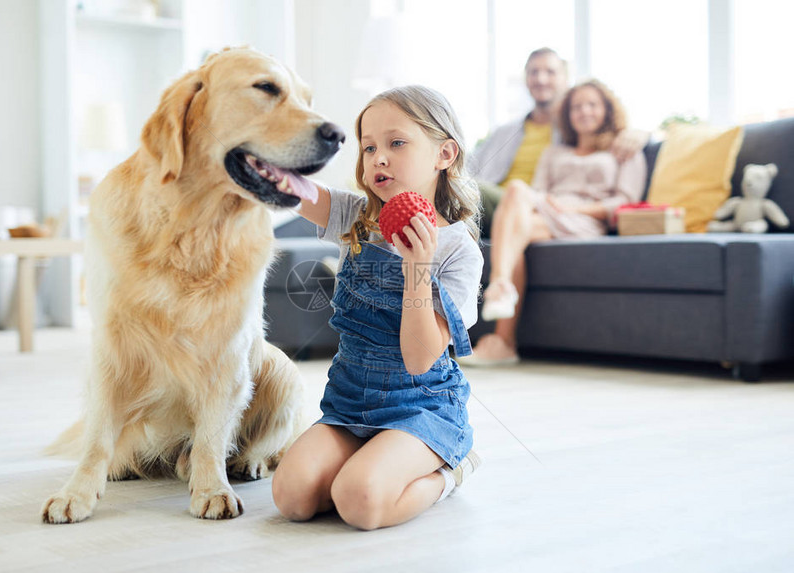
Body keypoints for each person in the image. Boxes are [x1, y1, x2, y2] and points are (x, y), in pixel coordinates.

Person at [271, 85, 484, 531]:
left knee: (359, 502)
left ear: (444, 153)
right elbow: (290, 187)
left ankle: (449, 472)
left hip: (420, 407)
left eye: (396, 143)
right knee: (292, 497)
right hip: (351, 403)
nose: (378, 158)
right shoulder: (357, 219)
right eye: (369, 147)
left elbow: (419, 358)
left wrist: (417, 269)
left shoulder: (459, 251)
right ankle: (369, 460)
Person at [461, 79, 647, 367]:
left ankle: (499, 290)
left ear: (607, 110)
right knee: (515, 221)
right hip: (548, 213)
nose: (584, 111)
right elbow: (537, 191)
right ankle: (503, 342)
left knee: (514, 207)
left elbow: (624, 202)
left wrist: (577, 207)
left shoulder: (622, 150)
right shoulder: (554, 151)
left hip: (585, 221)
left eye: (592, 104)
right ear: (568, 115)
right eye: (577, 106)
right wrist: (547, 203)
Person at [471, 47, 647, 237]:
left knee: (505, 193)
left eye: (550, 72)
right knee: (460, 188)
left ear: (565, 80)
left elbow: (614, 132)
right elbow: (467, 169)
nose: (541, 79)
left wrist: (640, 134)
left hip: (535, 205)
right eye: (533, 72)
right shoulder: (504, 132)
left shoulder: (574, 130)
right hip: (505, 202)